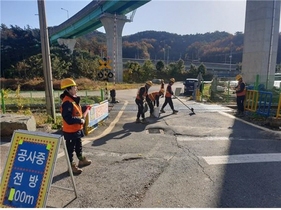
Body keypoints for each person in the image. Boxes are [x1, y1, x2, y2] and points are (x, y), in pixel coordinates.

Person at [60, 78, 92, 175]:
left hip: (77, 129)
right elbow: (68, 118)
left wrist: (84, 108)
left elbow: (76, 112)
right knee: (70, 149)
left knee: (79, 146)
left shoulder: (73, 100)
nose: (76, 88)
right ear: (68, 90)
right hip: (70, 131)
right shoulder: (67, 102)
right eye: (74, 87)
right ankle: (71, 166)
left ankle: (81, 159)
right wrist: (80, 120)